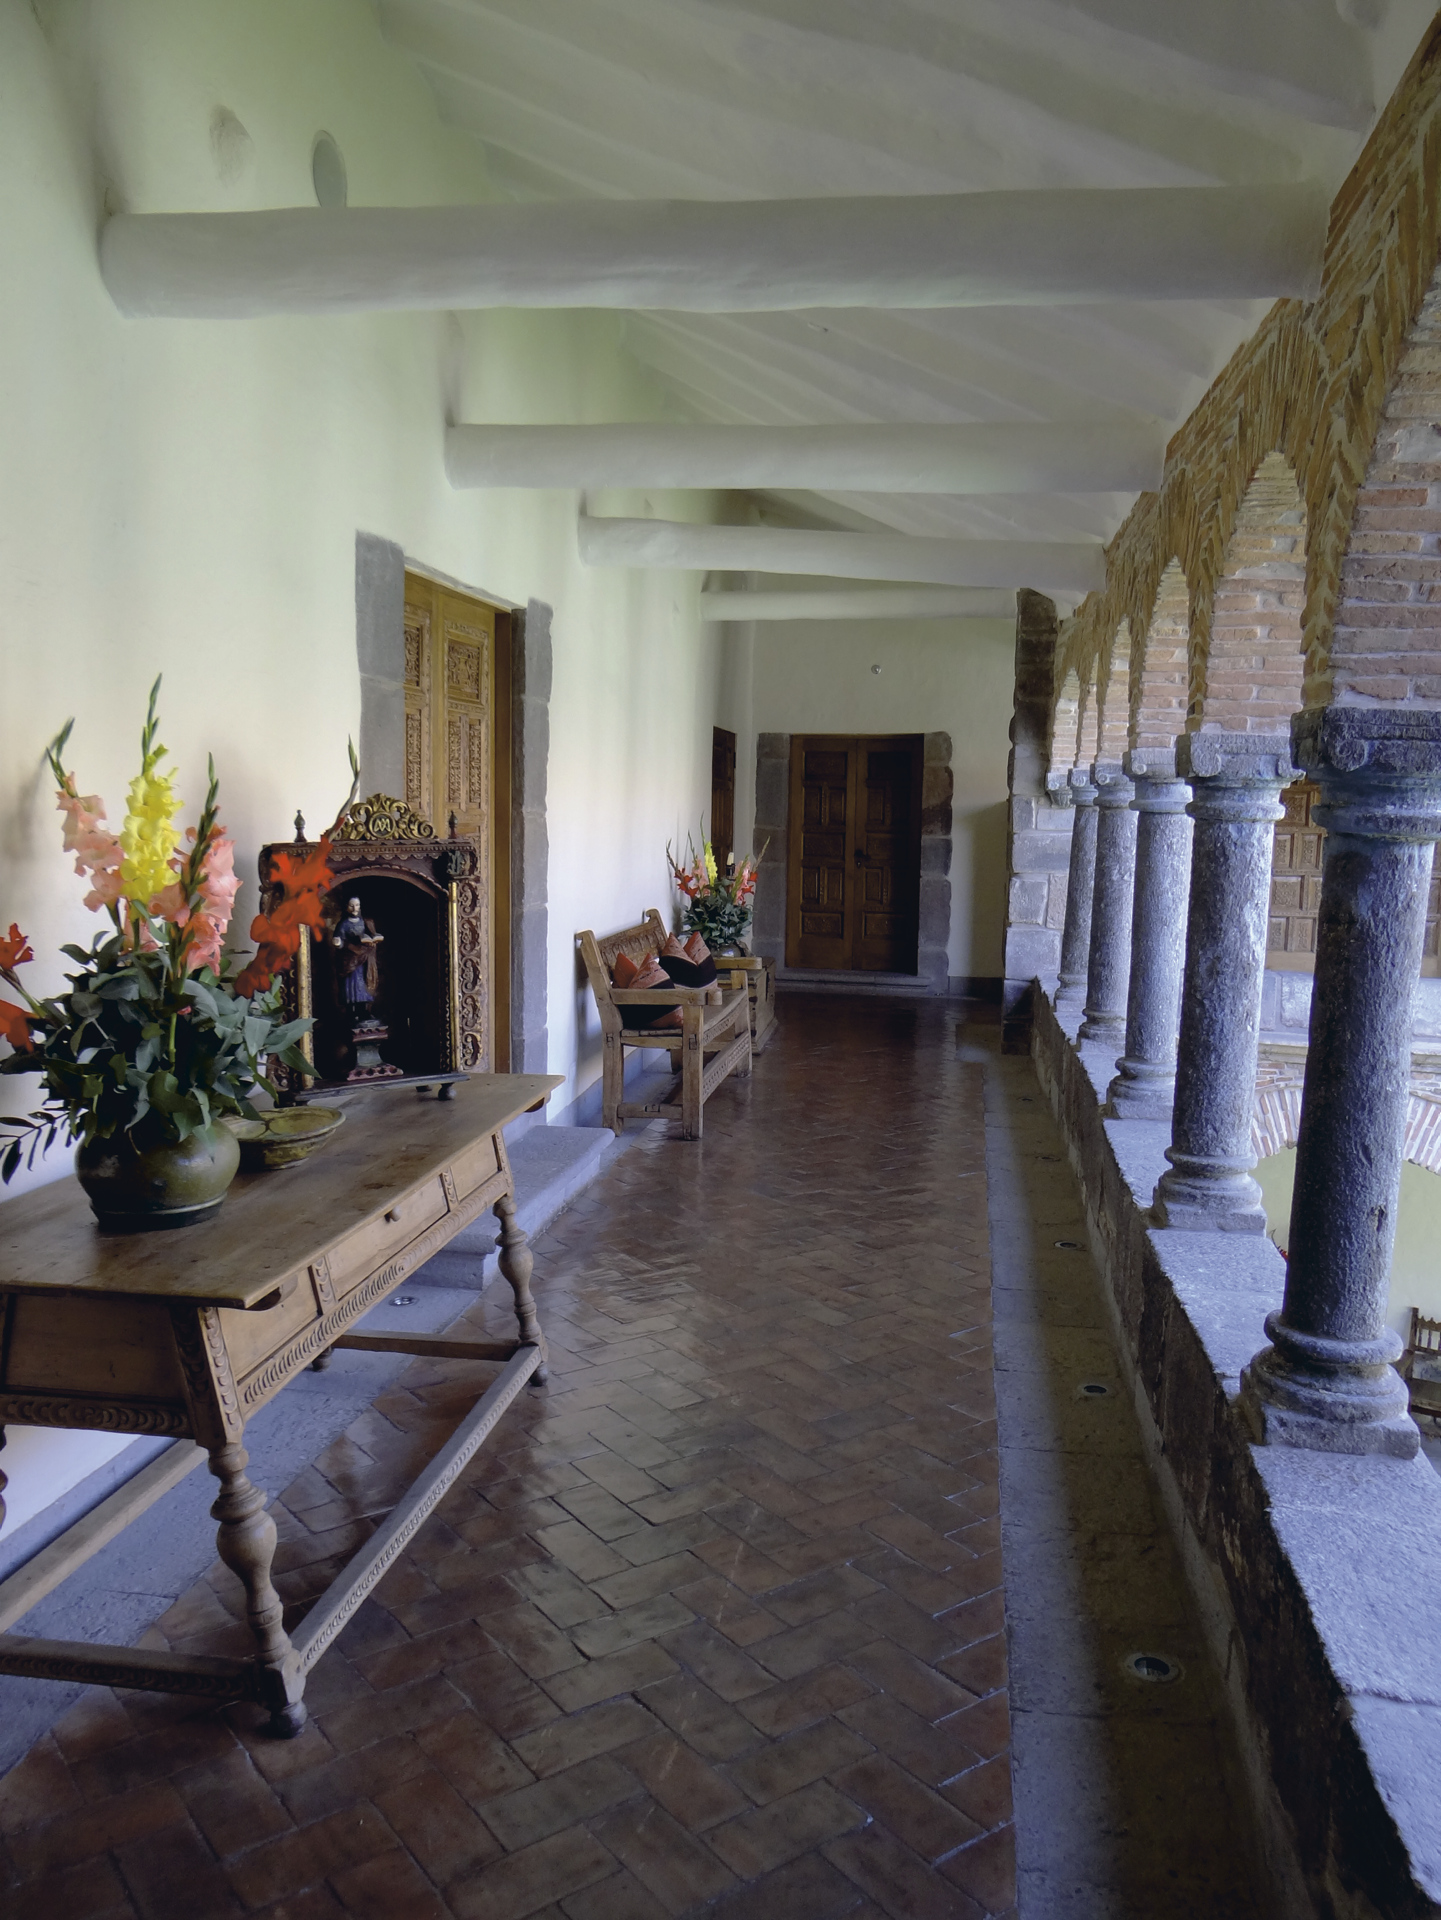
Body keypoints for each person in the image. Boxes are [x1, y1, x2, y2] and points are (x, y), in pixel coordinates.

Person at [332, 895, 384, 1017]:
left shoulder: (365, 922)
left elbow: (371, 935)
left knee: (363, 984)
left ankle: (364, 1011)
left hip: (364, 960)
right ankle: (351, 1012)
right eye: (352, 905)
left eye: (357, 905)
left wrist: (372, 941)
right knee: (351, 986)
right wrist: (338, 943)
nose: (355, 908)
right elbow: (340, 941)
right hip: (351, 961)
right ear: (347, 907)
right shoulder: (344, 924)